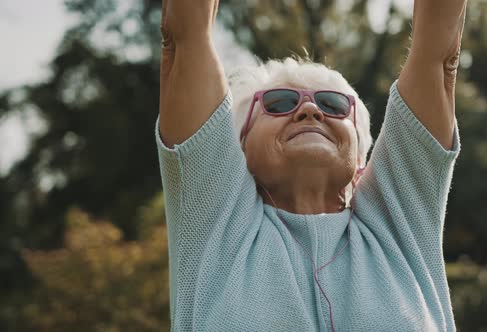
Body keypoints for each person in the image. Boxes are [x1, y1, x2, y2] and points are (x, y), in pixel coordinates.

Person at [155, 0, 466, 331]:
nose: (310, 111)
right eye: (279, 104)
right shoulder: (217, 223)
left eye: (332, 105)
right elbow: (184, 36)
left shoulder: (398, 223)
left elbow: (440, 57)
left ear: (361, 158)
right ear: (238, 150)